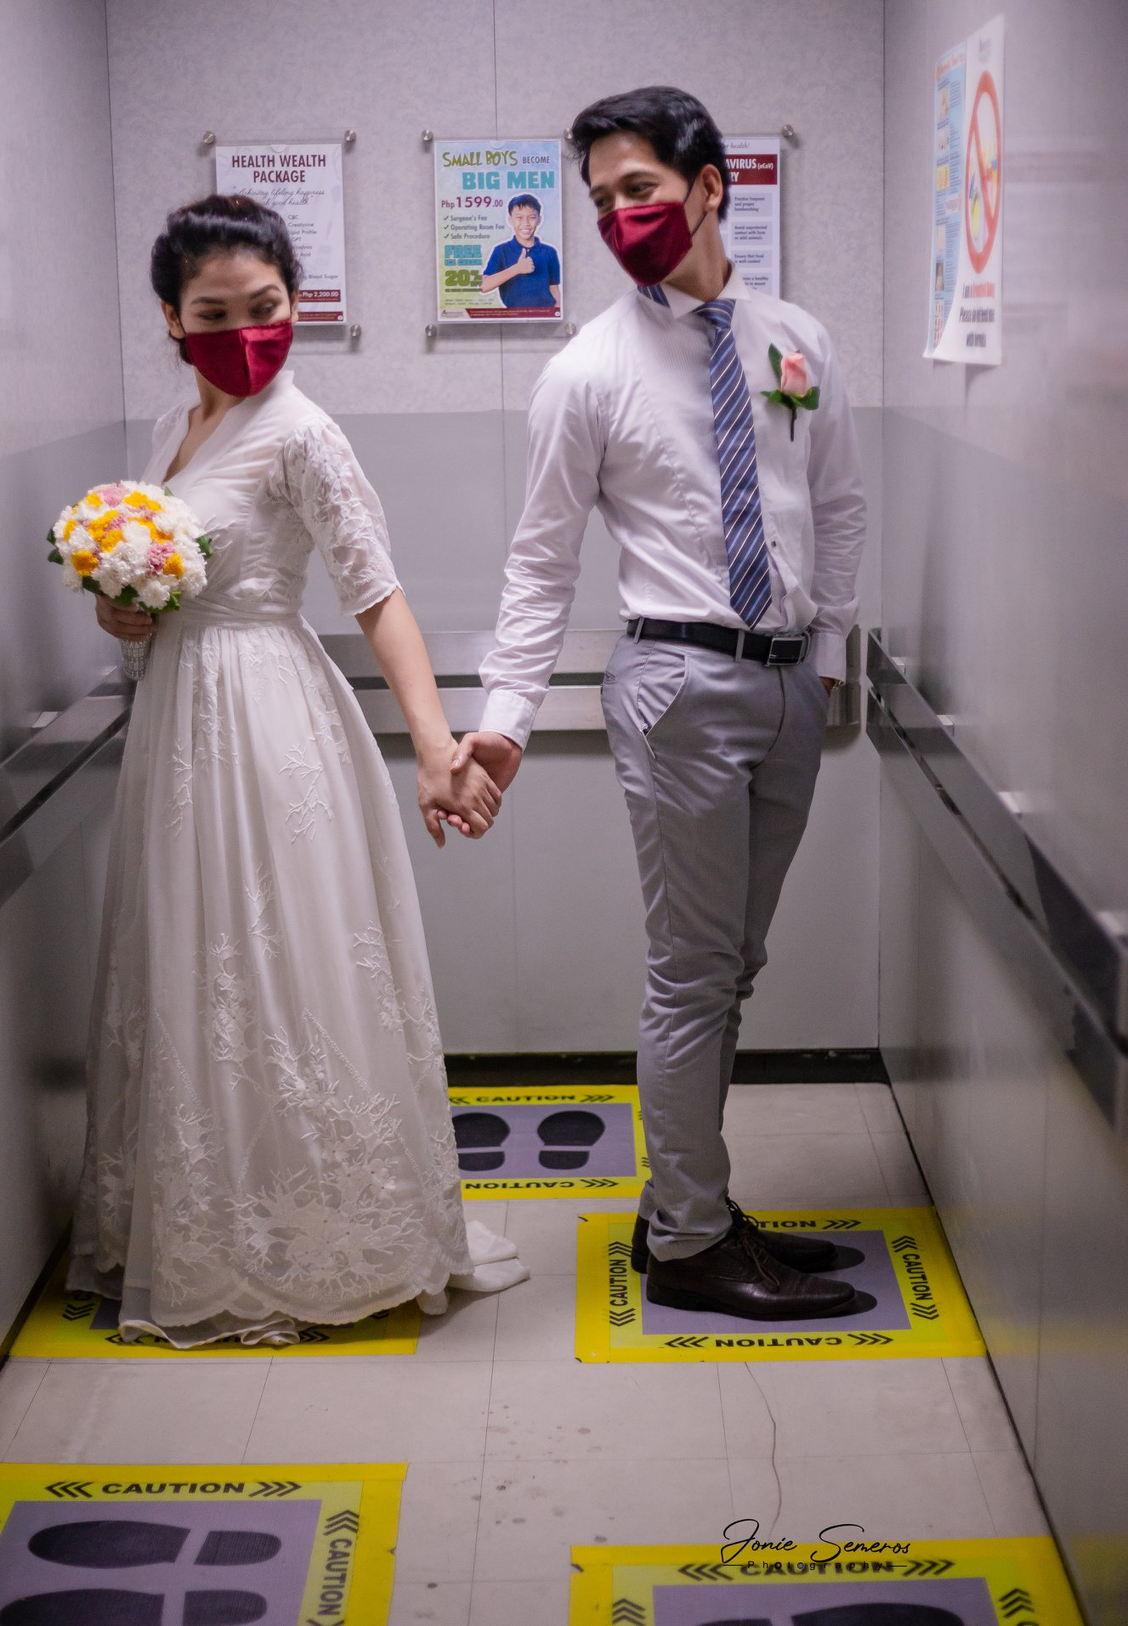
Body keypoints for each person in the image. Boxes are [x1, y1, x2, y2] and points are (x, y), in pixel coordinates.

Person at [68, 193, 527, 1347]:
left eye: (268, 307)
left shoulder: (305, 430)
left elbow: (378, 594)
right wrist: (131, 614)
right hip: (180, 720)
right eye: (215, 312)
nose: (248, 331)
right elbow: (175, 582)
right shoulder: (178, 431)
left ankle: (326, 1226)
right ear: (171, 320)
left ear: (296, 302)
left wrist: (436, 747)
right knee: (197, 964)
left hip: (269, 719)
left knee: (282, 965)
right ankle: (210, 1221)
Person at [454, 88, 867, 1322]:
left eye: (637, 189)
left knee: (732, 968)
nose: (618, 216)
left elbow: (834, 505)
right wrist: (506, 718)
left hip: (790, 680)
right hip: (680, 685)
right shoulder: (587, 370)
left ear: (710, 185)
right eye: (599, 202)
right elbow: (540, 562)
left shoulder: (797, 340)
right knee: (693, 975)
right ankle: (688, 1239)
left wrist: (832, 660)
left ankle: (689, 1197)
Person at [480, 193, 561, 309]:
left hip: (545, 315)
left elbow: (554, 289)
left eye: (532, 217)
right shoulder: (500, 251)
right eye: (519, 218)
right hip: (513, 317)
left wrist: (557, 312)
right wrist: (517, 268)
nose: (526, 223)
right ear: (510, 220)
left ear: (539, 220)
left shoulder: (550, 252)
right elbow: (483, 286)